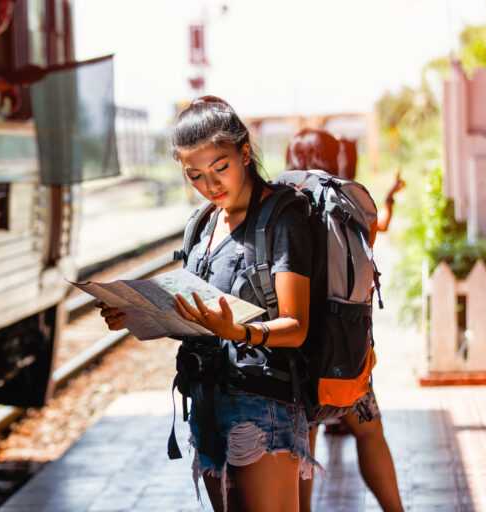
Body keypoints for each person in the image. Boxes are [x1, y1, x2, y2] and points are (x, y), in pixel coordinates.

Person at [101, 96, 317, 511]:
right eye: (195, 175)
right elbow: (197, 312)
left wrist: (241, 333)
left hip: (262, 405)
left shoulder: (281, 218)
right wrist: (136, 314)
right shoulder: (201, 225)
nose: (211, 185)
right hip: (206, 401)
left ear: (245, 153)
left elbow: (297, 326)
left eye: (221, 167)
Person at [286, 128, 404, 512]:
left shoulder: (279, 203)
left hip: (297, 353)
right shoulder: (350, 200)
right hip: (345, 352)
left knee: (304, 443)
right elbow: (371, 241)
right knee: (370, 432)